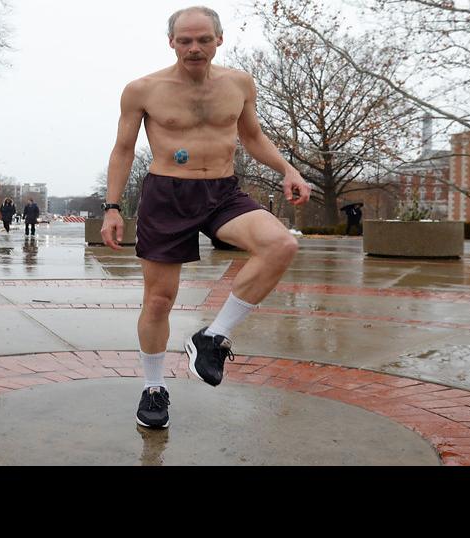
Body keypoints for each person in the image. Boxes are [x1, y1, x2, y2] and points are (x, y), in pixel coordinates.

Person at [101, 6, 311, 429]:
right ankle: (154, 388)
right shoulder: (142, 89)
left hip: (221, 191)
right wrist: (111, 207)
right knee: (159, 300)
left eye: (202, 40)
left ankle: (213, 337)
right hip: (167, 193)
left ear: (219, 39)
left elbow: (252, 135)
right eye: (185, 41)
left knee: (281, 244)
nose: (194, 48)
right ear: (172, 42)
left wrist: (287, 168)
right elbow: (123, 149)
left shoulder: (239, 83)